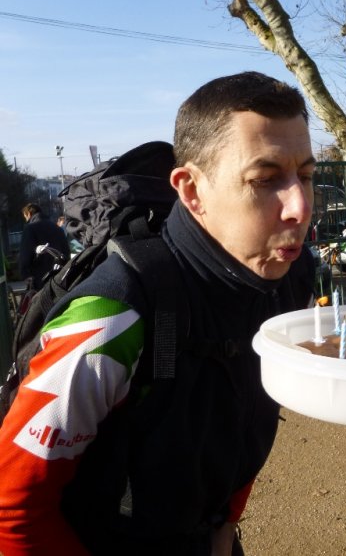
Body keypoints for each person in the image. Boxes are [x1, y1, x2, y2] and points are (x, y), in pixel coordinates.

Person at [0, 71, 318, 555]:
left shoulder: (287, 283)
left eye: (308, 176)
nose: (300, 205)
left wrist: (225, 527)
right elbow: (11, 508)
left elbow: (246, 417)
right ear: (190, 191)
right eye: (265, 179)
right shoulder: (112, 314)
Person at [18, 203, 70, 290]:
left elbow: (25, 253)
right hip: (59, 275)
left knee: (41, 302)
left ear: (29, 214)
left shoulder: (30, 228)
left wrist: (25, 274)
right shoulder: (57, 228)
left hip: (39, 277)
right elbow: (66, 251)